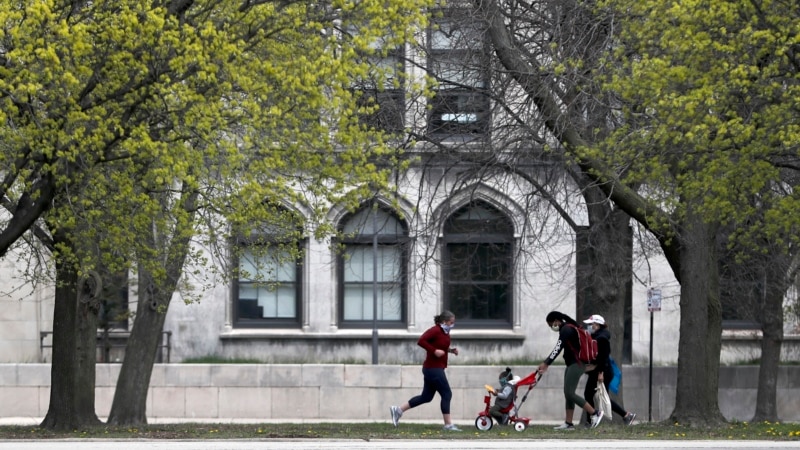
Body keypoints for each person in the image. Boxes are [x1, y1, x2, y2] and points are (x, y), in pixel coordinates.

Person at [389, 310, 461, 431]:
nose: (452, 325)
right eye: (451, 322)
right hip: (433, 369)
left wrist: (450, 350)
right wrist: (434, 351)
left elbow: (440, 346)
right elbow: (421, 341)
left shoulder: (445, 332)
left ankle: (398, 410)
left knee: (426, 397)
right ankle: (448, 425)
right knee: (446, 393)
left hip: (433, 368)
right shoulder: (435, 330)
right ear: (444, 321)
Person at [537, 310, 604, 430]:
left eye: (551, 324)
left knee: (570, 393)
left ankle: (595, 413)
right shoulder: (568, 328)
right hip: (571, 364)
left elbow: (558, 347)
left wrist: (546, 363)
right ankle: (568, 423)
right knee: (568, 393)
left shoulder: (566, 329)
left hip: (576, 364)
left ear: (557, 321)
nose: (552, 327)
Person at [582, 314, 637, 426]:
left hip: (602, 371)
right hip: (600, 370)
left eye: (591, 324)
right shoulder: (597, 336)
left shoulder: (601, 338)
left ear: (597, 324)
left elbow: (604, 357)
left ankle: (590, 420)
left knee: (590, 395)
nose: (589, 326)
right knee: (600, 397)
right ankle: (626, 415)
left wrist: (600, 373)